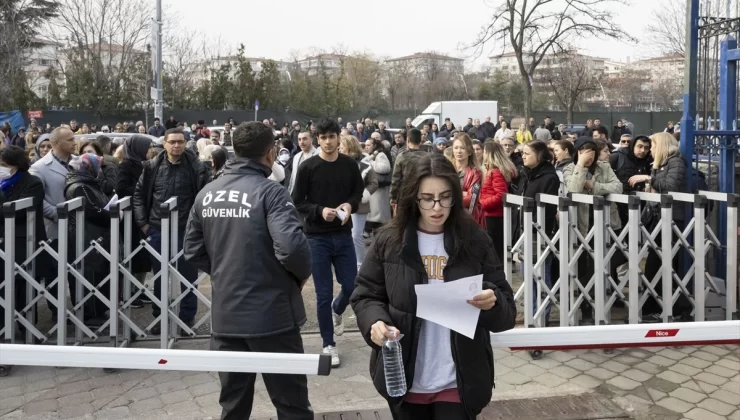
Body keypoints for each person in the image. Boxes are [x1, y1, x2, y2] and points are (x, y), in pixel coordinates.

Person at [350, 153, 516, 420]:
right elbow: (365, 295)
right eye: (427, 199)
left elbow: (507, 310)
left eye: (445, 197)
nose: (437, 207)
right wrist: (375, 323)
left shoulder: (475, 240)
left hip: (459, 381)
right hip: (405, 378)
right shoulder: (389, 241)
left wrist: (492, 300)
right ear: (412, 198)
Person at [183, 122, 313, 420]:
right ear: (270, 154)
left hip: (227, 314)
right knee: (292, 404)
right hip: (273, 317)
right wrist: (294, 278)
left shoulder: (208, 193)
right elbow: (293, 249)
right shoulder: (271, 193)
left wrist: (225, 270)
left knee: (233, 407)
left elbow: (192, 249)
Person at [290, 118, 364, 367]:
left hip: (343, 234)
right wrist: (319, 210)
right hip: (316, 237)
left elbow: (358, 192)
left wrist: (349, 205)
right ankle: (328, 344)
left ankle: (338, 308)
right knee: (322, 293)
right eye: (324, 137)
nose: (328, 141)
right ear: (317, 139)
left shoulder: (349, 165)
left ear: (338, 138)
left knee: (353, 286)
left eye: (332, 136)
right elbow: (298, 201)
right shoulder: (308, 167)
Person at [133, 127, 210, 334]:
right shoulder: (152, 167)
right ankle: (160, 317)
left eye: (180, 142)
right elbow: (139, 196)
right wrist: (144, 225)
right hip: (157, 229)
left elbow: (204, 197)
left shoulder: (197, 167)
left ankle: (186, 318)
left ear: (186, 143)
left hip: (186, 230)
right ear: (164, 143)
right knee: (160, 277)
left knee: (188, 276)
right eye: (172, 142)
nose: (176, 145)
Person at [0, 146, 50, 341]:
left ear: (16, 165)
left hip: (25, 244)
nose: (1, 168)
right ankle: (4, 333)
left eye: (4, 165)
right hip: (3, 243)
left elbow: (15, 211)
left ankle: (29, 329)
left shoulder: (33, 183)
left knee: (25, 289)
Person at [64, 153, 115, 327]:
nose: (100, 170)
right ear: (89, 167)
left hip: (92, 234)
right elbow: (92, 211)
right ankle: (91, 313)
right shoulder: (80, 186)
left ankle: (98, 309)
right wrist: (113, 214)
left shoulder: (87, 183)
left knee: (98, 272)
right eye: (98, 166)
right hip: (86, 236)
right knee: (90, 273)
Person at [115, 135, 153, 307]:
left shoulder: (143, 164)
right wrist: (142, 191)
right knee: (132, 255)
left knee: (143, 256)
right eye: (147, 147)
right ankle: (128, 293)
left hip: (142, 215)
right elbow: (121, 189)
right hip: (130, 219)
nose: (150, 150)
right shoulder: (125, 166)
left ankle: (139, 289)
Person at [339, 135, 377, 269]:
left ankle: (360, 264)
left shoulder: (366, 164)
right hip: (340, 204)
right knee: (344, 235)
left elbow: (373, 183)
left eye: (342, 146)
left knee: (356, 235)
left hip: (359, 205)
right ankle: (346, 262)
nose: (339, 148)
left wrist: (364, 195)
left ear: (349, 147)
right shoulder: (338, 162)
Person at [480, 142, 517, 261]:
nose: (483, 154)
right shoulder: (493, 170)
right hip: (492, 215)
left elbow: (501, 195)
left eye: (484, 152)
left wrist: (482, 204)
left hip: (494, 216)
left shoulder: (496, 172)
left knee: (496, 250)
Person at [451, 134, 485, 228]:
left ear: (469, 151)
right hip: (449, 217)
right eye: (456, 147)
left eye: (462, 148)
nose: (459, 151)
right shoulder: (447, 170)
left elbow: (472, 199)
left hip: (468, 218)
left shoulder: (476, 173)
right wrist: (463, 193)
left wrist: (450, 198)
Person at [390, 128, 425, 210]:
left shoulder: (402, 157)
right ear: (420, 141)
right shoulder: (427, 157)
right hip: (423, 194)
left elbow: (395, 179)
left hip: (405, 194)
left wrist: (393, 197)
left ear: (408, 140)